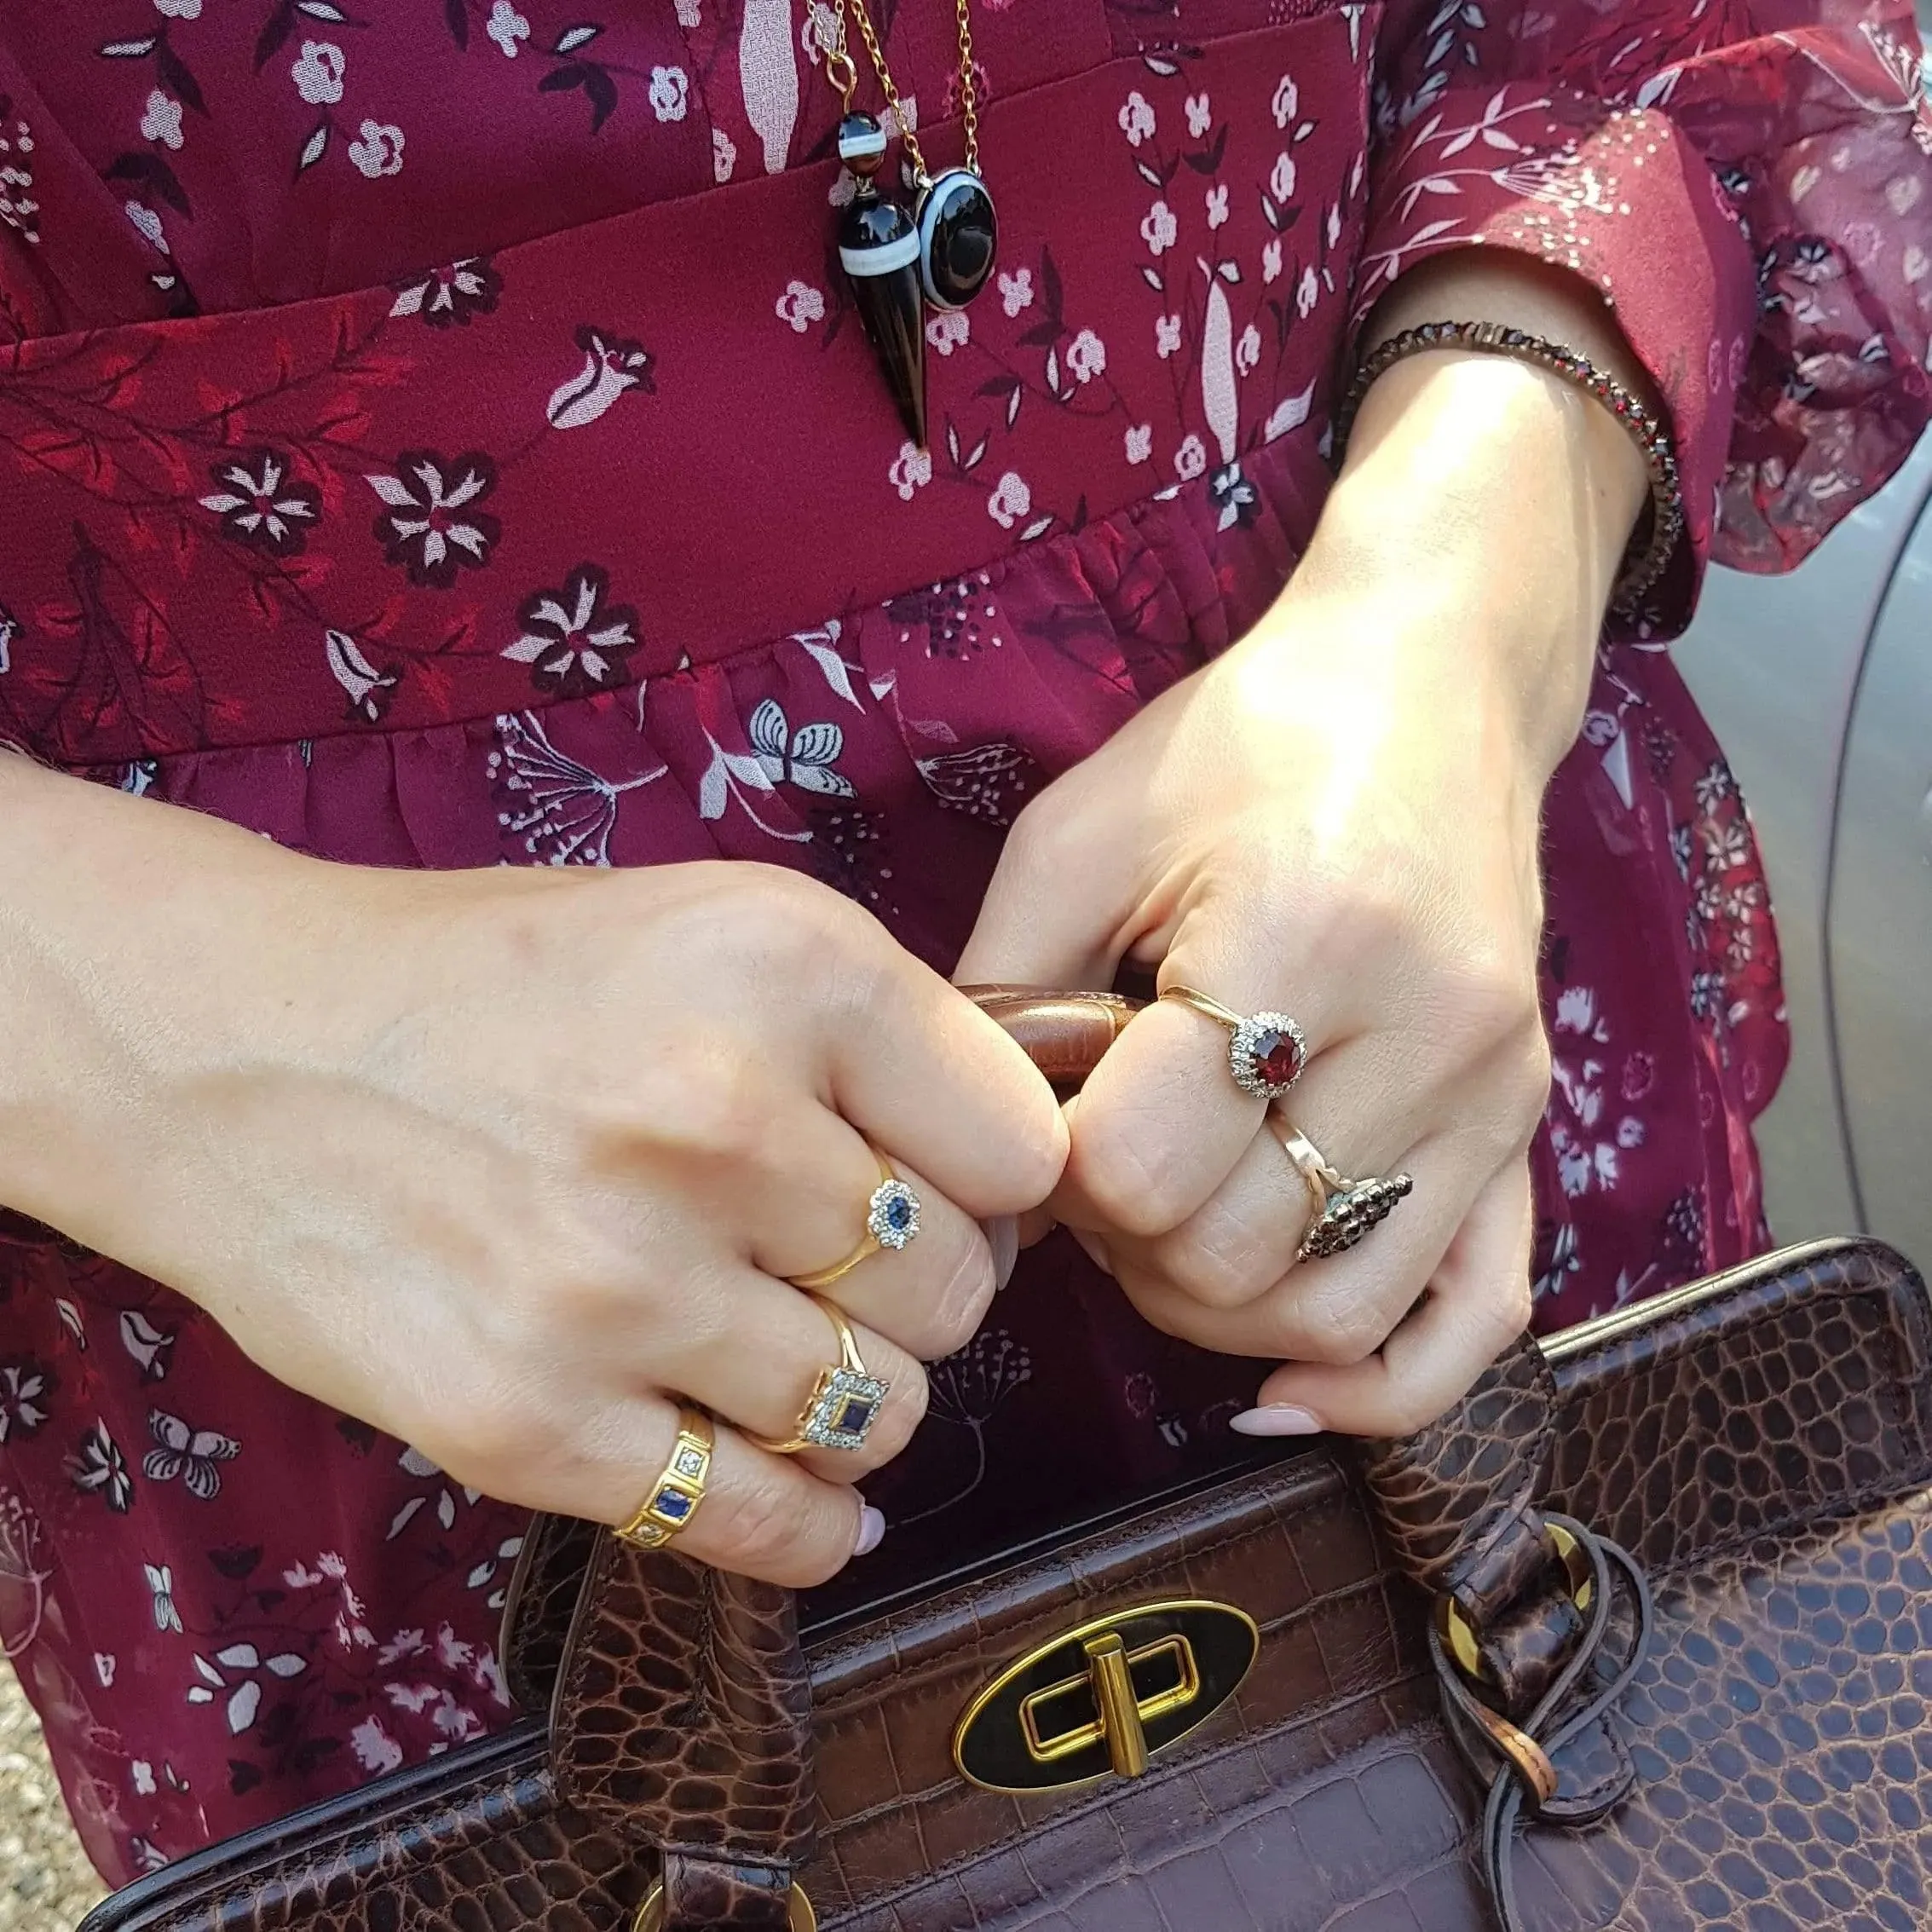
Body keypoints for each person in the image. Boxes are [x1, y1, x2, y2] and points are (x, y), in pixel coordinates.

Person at [0, 0, 1923, 1888]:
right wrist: (167, 1040)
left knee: (1662, 1798)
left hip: (1403, 1013)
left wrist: (1453, 620)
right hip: (378, 1288)